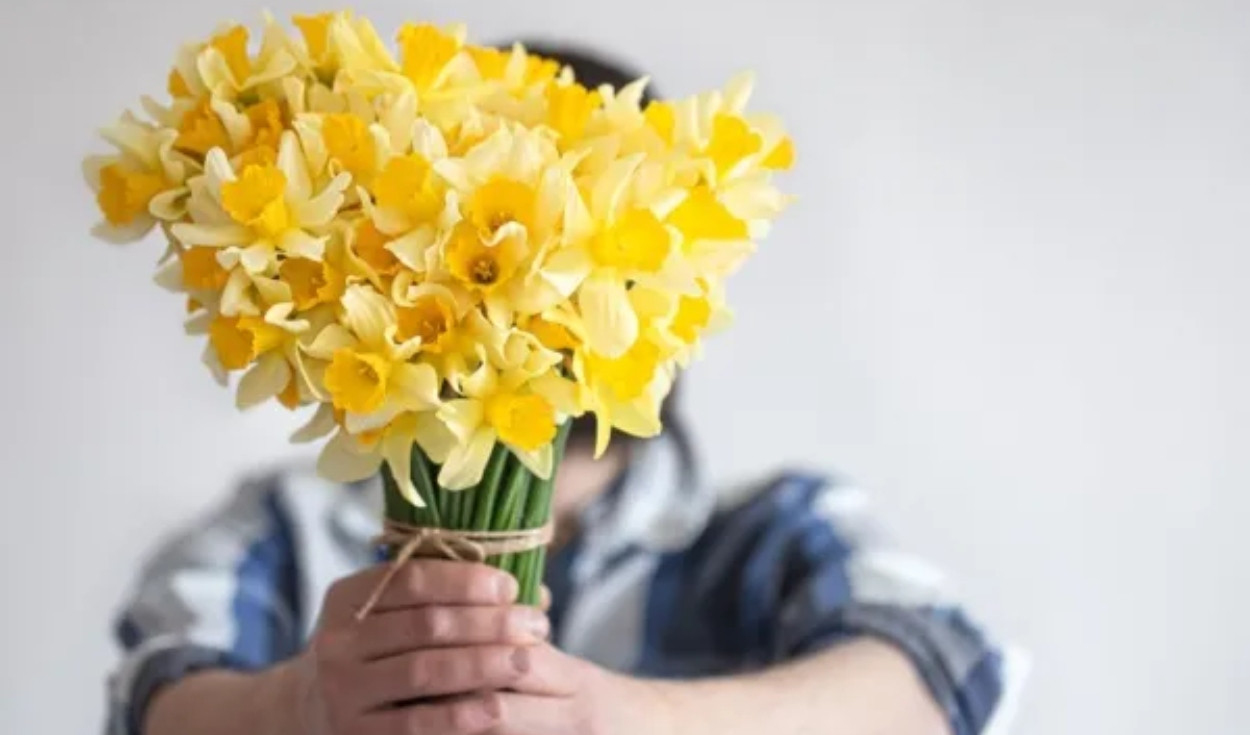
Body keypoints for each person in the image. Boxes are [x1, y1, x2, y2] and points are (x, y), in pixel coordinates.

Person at [107, 45, 1025, 735]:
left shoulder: (773, 533)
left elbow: (945, 672)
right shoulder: (291, 527)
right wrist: (303, 702)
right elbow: (157, 692)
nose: (528, 279)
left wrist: (618, 717)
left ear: (678, 282)